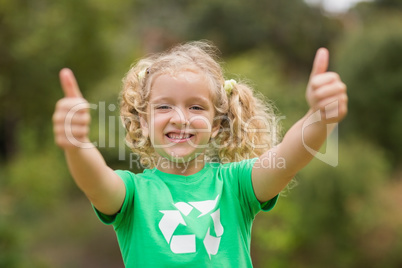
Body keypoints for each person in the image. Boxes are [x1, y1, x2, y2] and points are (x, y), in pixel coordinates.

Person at [52, 41, 347, 267]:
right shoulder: (133, 194)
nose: (180, 118)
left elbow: (290, 156)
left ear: (217, 124)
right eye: (164, 106)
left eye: (195, 107)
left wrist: (320, 116)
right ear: (143, 120)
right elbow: (95, 181)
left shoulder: (237, 186)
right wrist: (77, 144)